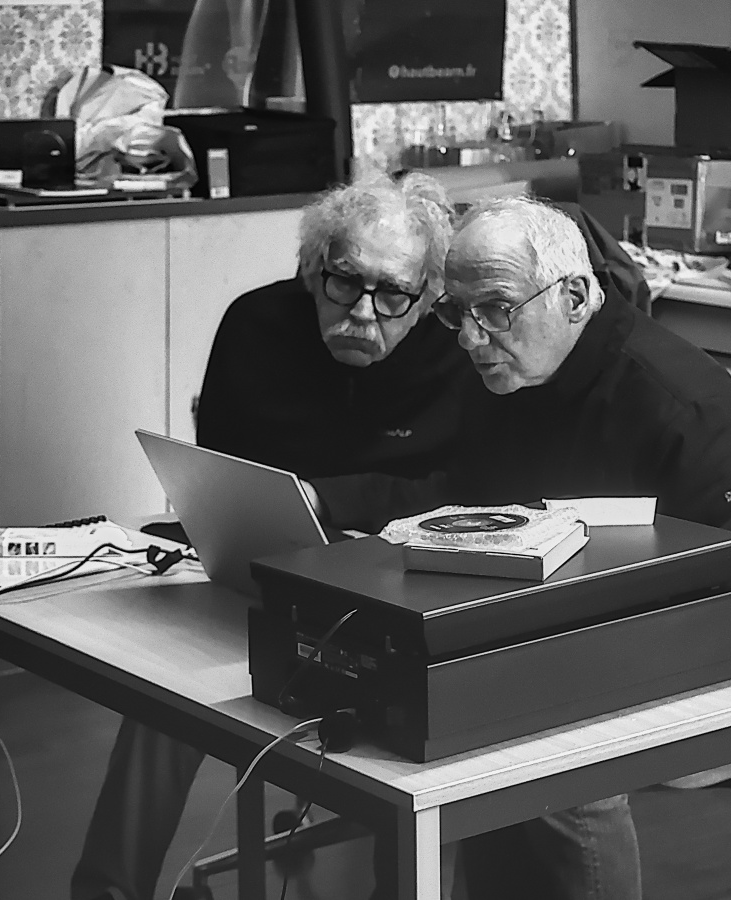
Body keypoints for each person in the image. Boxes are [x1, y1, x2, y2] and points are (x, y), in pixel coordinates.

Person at [311, 196, 731, 900]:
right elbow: (468, 503)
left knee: (532, 758)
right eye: (455, 312)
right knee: (429, 719)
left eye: (495, 309)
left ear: (573, 297)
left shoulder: (689, 410)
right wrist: (324, 502)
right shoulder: (516, 372)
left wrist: (588, 664)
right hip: (595, 635)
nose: (469, 337)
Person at [70, 170, 470, 900]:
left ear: (428, 295)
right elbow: (220, 475)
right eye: (344, 284)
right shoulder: (255, 324)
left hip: (402, 600)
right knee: (164, 699)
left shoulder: (456, 352)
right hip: (263, 584)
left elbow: (465, 491)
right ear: (312, 269)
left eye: (393, 295)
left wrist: (330, 498)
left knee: (428, 742)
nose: (363, 314)